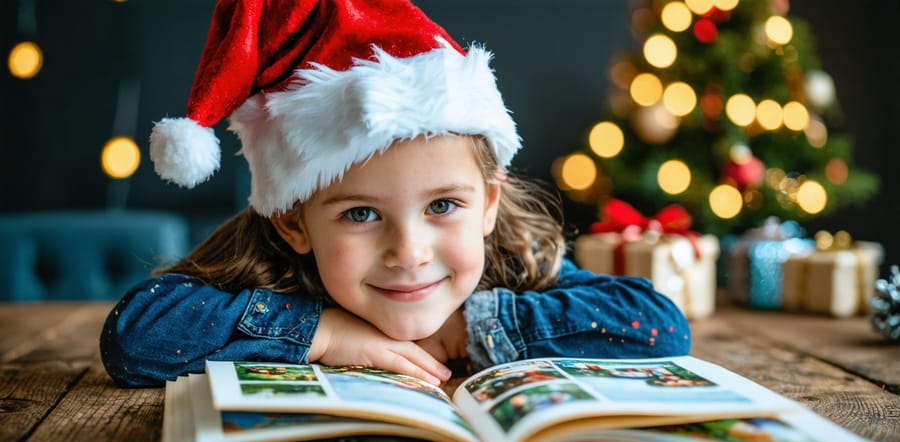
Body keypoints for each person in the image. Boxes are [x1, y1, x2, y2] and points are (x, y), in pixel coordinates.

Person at [100, 0, 690, 388]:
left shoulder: (514, 258)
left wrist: (467, 330)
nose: (409, 252)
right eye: (361, 213)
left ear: (487, 203)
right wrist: (325, 333)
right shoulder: (273, 263)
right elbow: (136, 338)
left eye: (442, 206)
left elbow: (658, 325)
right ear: (293, 222)